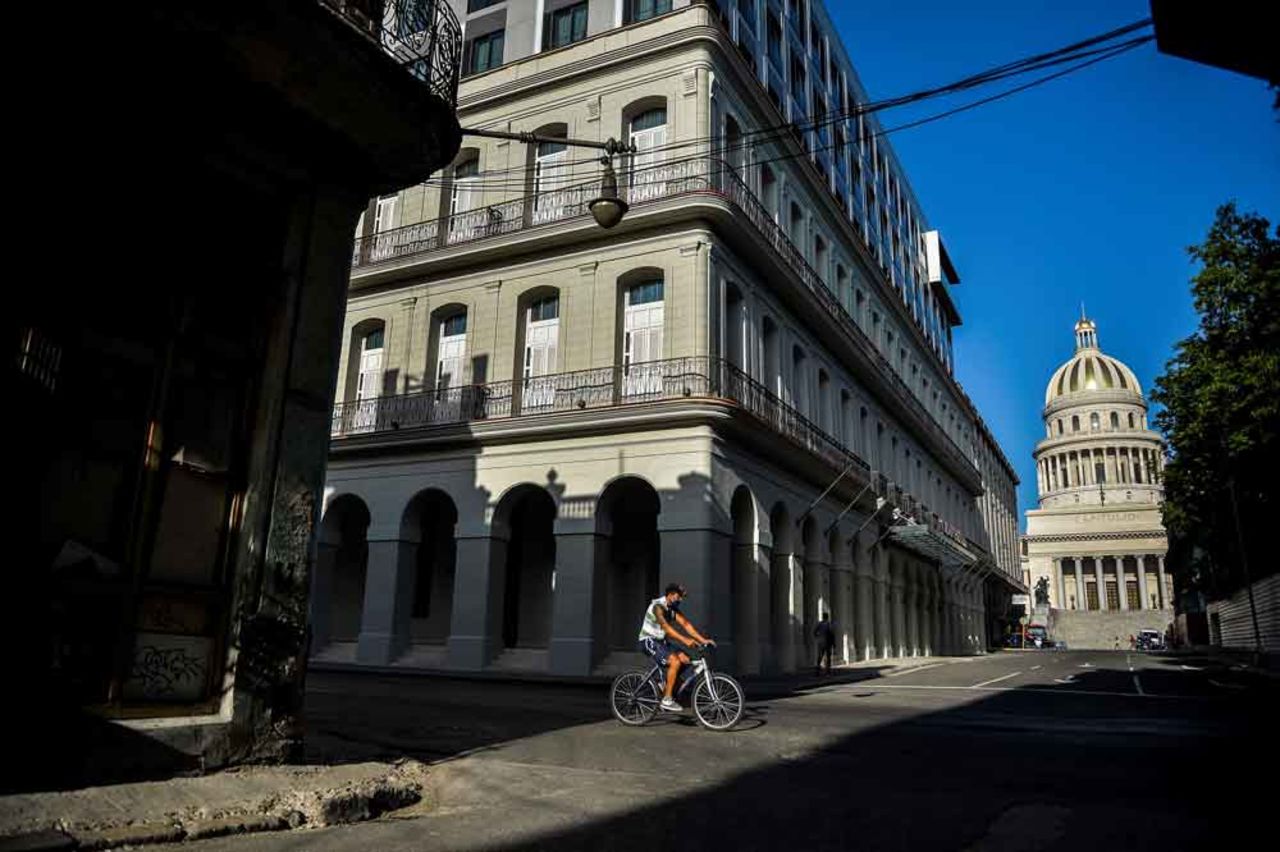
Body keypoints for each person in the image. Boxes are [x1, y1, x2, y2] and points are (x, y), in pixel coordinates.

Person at [637, 583, 714, 712]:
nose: (681, 600)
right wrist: (685, 640)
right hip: (648, 640)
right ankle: (667, 699)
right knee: (675, 661)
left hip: (661, 642)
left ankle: (667, 686)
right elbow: (667, 628)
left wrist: (703, 640)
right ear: (671, 595)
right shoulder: (658, 607)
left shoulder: (672, 610)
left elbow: (686, 625)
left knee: (685, 659)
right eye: (679, 597)